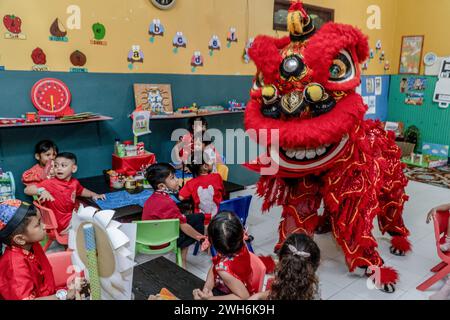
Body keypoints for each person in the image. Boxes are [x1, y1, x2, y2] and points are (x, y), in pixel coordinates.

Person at [0, 200, 79, 300]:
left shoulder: (32, 244)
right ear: (20, 239)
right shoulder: (15, 267)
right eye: (38, 224)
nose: (45, 225)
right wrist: (63, 295)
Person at [142, 163, 206, 268]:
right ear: (162, 186)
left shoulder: (153, 198)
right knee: (195, 223)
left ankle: (182, 258)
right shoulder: (167, 202)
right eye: (172, 178)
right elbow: (183, 225)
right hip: (162, 241)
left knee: (198, 217)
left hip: (152, 236)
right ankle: (182, 260)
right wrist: (201, 238)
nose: (177, 180)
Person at [24, 152, 105, 234]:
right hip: (61, 225)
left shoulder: (74, 182)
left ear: (73, 169)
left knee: (97, 216)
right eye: (56, 165)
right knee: (96, 225)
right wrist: (41, 190)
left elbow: (81, 191)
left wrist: (94, 194)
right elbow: (27, 190)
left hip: (71, 218)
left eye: (63, 165)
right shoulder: (49, 183)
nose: (58, 168)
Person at [193, 211, 258, 300]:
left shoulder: (223, 269)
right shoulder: (237, 242)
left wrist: (211, 299)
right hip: (241, 283)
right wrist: (207, 287)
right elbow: (214, 266)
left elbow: (244, 297)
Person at [249, 233, 321, 300]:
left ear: (280, 260)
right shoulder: (314, 289)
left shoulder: (282, 276)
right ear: (316, 265)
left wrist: (258, 296)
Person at [178, 146, 225, 225]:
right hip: (219, 218)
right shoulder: (217, 177)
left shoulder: (191, 183)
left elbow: (181, 197)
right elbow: (223, 193)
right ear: (205, 166)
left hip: (201, 222)